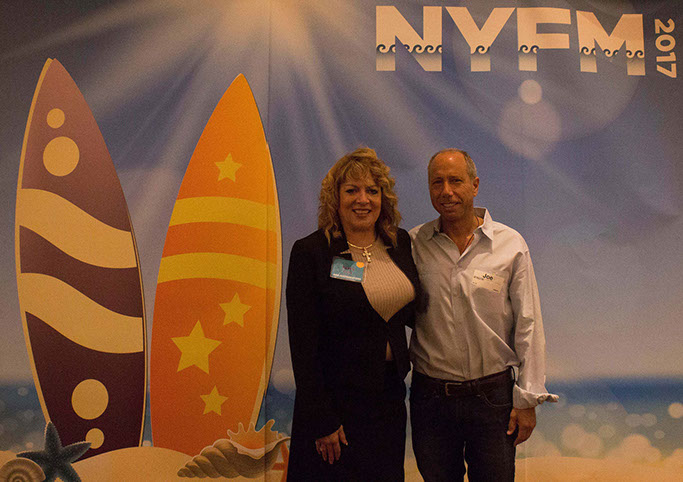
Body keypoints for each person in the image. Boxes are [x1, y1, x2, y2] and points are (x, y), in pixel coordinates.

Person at [409, 148, 558, 481]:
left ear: (475, 185)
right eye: (437, 183)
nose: (446, 191)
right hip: (431, 400)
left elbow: (529, 324)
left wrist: (527, 398)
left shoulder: (510, 244)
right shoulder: (414, 244)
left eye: (455, 181)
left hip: (493, 399)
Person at [286, 147, 421, 481]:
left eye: (372, 190)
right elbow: (303, 346)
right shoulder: (312, 252)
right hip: (336, 406)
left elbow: (406, 312)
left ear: (383, 198)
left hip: (388, 399)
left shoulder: (399, 243)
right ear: (335, 198)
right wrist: (322, 419)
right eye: (352, 190)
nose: (363, 199)